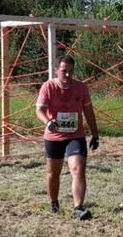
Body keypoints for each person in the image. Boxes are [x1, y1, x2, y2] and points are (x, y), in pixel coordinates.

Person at [36, 56, 100, 220]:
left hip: (75, 135)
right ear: (57, 70)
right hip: (54, 136)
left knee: (78, 169)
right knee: (53, 173)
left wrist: (95, 133)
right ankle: (54, 202)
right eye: (64, 71)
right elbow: (39, 111)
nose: (68, 75)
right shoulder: (48, 87)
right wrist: (48, 122)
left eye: (71, 71)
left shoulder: (81, 88)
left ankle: (78, 207)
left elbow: (89, 112)